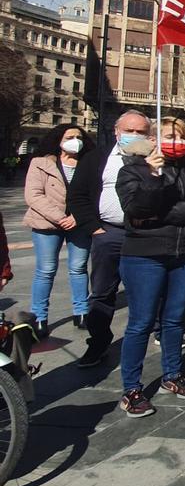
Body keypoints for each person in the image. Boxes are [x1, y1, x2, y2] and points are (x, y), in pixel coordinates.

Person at [114, 117, 185, 418]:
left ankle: (172, 374)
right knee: (141, 322)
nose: (174, 140)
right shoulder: (133, 168)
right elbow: (136, 209)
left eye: (180, 135)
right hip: (145, 255)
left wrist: (167, 214)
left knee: (174, 319)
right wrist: (153, 176)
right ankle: (131, 389)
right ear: (152, 140)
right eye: (167, 135)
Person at [68, 110, 153, 368]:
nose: (135, 136)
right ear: (117, 132)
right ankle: (98, 342)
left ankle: (157, 333)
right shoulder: (97, 158)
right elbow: (77, 196)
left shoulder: (156, 159)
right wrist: (94, 228)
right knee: (102, 292)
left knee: (150, 290)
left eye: (141, 132)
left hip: (146, 235)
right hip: (109, 233)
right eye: (130, 130)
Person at [23, 123, 95, 337]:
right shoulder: (41, 163)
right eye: (70, 136)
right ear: (58, 140)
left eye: (79, 136)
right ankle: (39, 316)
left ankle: (81, 312)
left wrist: (78, 217)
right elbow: (33, 195)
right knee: (45, 270)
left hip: (79, 223)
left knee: (79, 268)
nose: (76, 140)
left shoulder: (89, 163)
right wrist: (60, 218)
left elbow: (94, 194)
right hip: (47, 223)